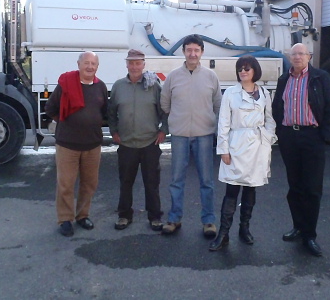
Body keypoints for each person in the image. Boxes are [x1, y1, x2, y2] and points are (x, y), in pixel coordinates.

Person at [271, 43, 330, 256]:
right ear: (290, 58)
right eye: (294, 54)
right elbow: (276, 108)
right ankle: (298, 227)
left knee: (312, 188)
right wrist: (281, 132)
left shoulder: (320, 78)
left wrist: (326, 135)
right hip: (290, 137)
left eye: (302, 53)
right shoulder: (284, 79)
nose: (298, 57)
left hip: (312, 137)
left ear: (309, 56)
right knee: (295, 187)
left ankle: (310, 235)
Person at [209, 55, 277, 251]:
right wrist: (223, 149)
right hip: (236, 146)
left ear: (255, 70)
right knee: (231, 191)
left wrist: (268, 138)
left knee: (251, 188)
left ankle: (244, 228)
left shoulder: (264, 93)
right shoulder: (230, 93)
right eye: (240, 68)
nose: (243, 71)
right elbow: (223, 123)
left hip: (258, 147)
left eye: (247, 68)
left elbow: (269, 119)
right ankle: (223, 234)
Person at [160, 34, 222, 238]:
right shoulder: (173, 77)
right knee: (177, 179)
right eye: (189, 50)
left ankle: (209, 221)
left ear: (202, 52)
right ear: (183, 52)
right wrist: (177, 120)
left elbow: (218, 105)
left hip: (204, 135)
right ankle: (174, 218)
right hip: (179, 135)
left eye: (196, 50)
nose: (192, 53)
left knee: (207, 181)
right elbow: (165, 103)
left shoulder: (211, 77)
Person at [45, 51, 108, 237]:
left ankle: (82, 215)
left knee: (89, 183)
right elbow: (51, 108)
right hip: (67, 144)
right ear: (79, 64)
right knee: (66, 183)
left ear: (97, 67)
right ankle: (65, 219)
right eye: (86, 63)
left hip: (92, 144)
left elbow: (104, 112)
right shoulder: (66, 84)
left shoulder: (101, 87)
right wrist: (66, 122)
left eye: (93, 64)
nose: (90, 67)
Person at [107, 49, 168, 232]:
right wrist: (114, 131)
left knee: (152, 183)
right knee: (125, 182)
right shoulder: (118, 86)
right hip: (126, 143)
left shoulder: (153, 86)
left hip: (149, 142)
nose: (134, 66)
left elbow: (164, 110)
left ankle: (155, 217)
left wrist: (163, 130)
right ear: (126, 64)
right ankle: (124, 215)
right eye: (131, 62)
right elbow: (111, 113)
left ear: (144, 64)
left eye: (138, 63)